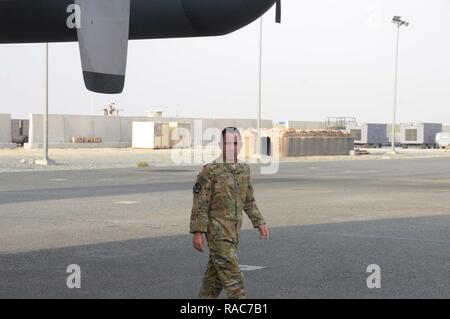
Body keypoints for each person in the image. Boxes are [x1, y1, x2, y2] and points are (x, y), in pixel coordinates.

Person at [189, 127, 269, 299]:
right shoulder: (210, 171)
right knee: (235, 282)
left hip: (233, 234)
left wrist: (259, 222)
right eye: (227, 143)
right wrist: (198, 232)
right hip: (217, 235)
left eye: (235, 143)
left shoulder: (243, 170)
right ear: (220, 145)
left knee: (213, 282)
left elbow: (249, 200)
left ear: (240, 144)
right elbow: (200, 204)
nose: (232, 147)